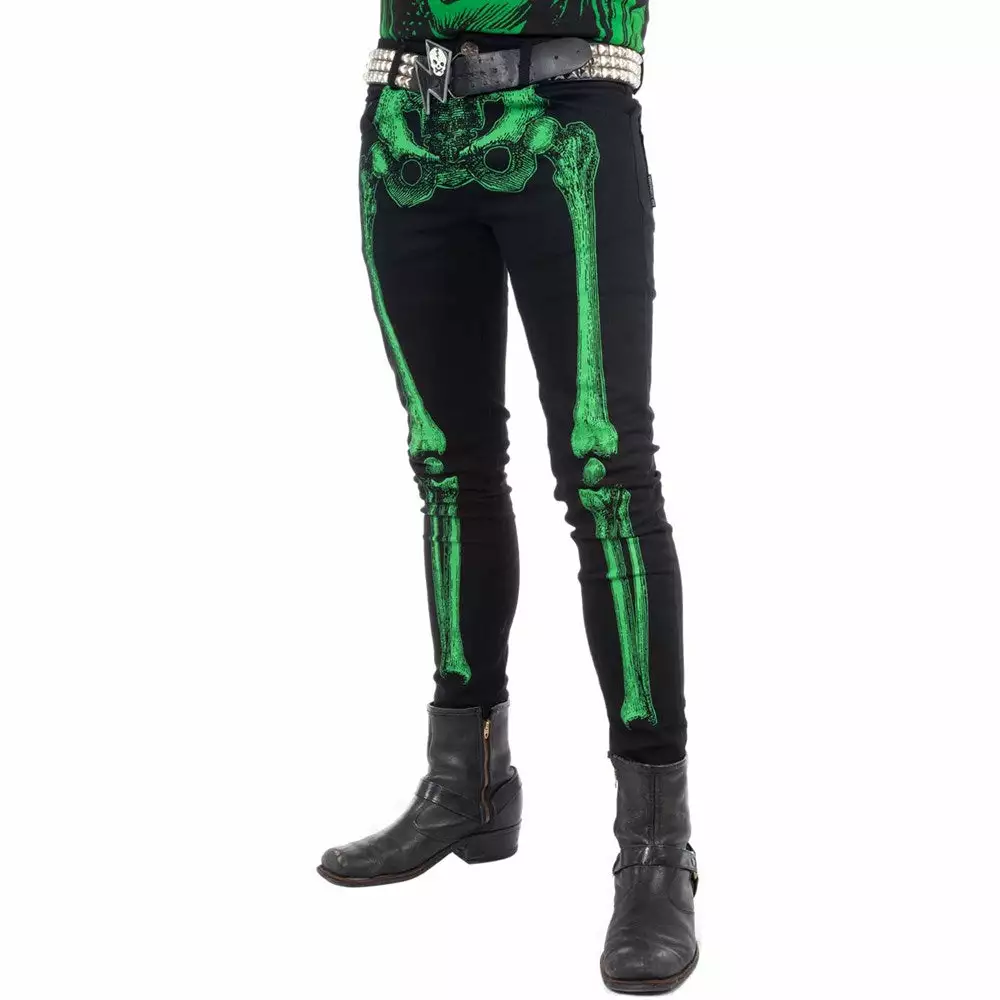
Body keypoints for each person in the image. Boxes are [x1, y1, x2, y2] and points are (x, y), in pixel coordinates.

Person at [317, 3, 698, 993]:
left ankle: (655, 846)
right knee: (446, 469)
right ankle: (467, 782)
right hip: (405, 118)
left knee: (606, 475)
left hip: (569, 113)